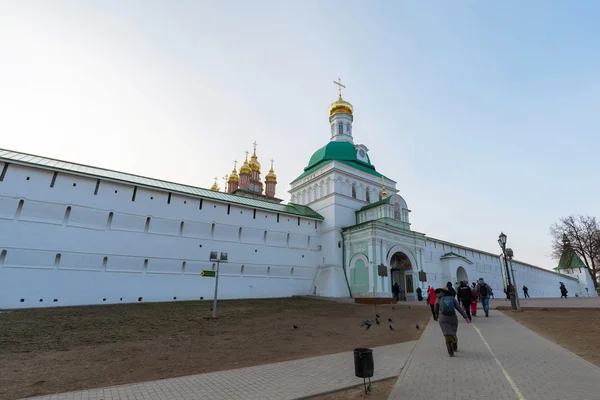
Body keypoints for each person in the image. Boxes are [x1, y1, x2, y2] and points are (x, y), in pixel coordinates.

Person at [433, 286, 470, 356]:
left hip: (443, 318)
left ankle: (450, 350)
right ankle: (455, 345)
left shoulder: (438, 298)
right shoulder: (452, 298)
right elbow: (459, 308)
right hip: (453, 318)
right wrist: (466, 317)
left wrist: (436, 315)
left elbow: (435, 308)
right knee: (453, 332)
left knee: (447, 333)